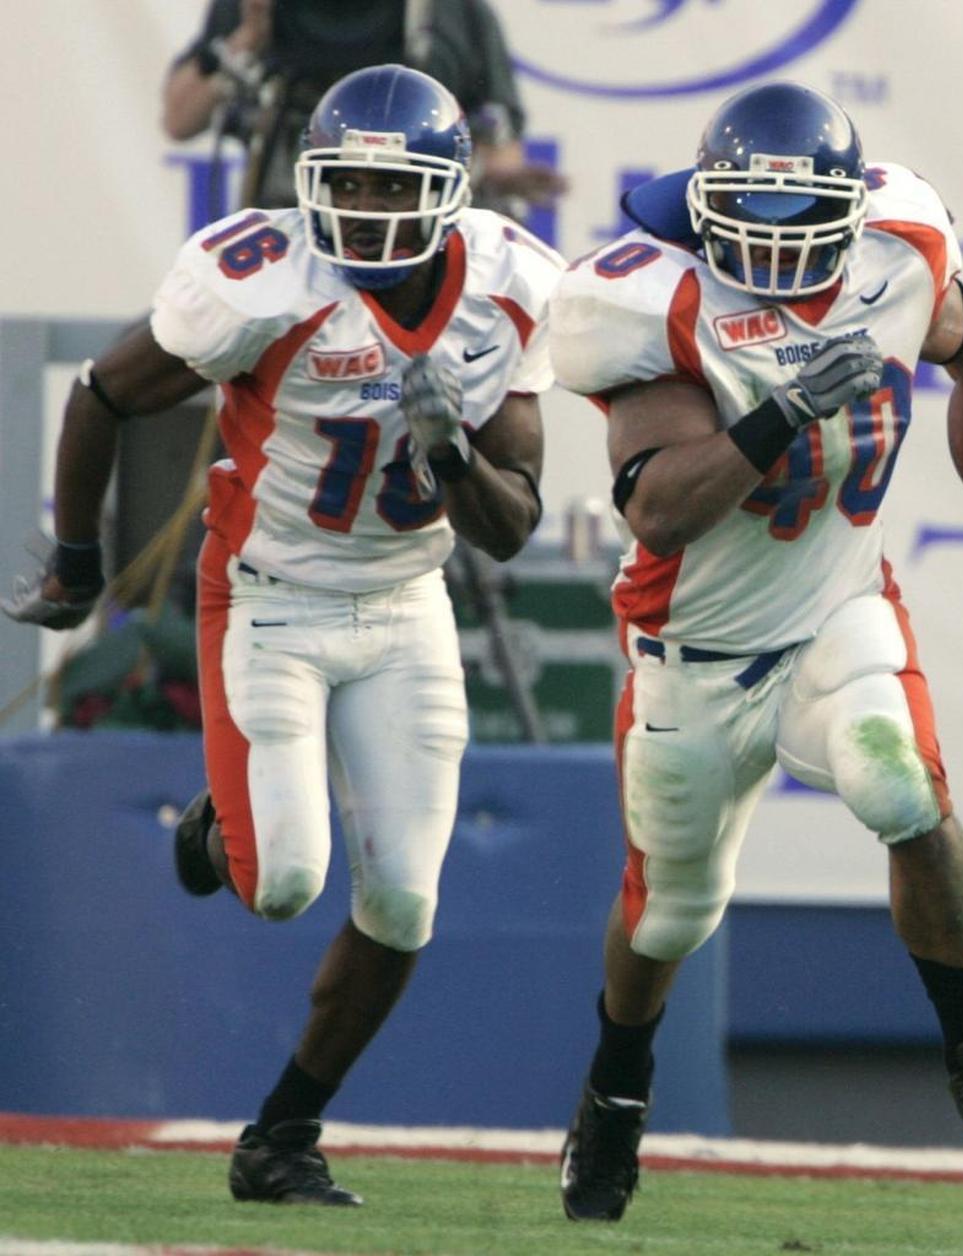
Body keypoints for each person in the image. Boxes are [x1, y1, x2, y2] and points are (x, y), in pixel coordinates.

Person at [546, 81, 963, 1222]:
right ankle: (615, 1090)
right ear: (705, 208)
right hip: (695, 649)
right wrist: (781, 410)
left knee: (905, 791)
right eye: (749, 220)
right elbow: (660, 509)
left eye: (801, 220)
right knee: (671, 911)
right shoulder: (651, 298)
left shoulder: (898, 248)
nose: (775, 245)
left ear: (848, 211)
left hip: (835, 609)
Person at [3, 63, 563, 1205]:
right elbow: (103, 394)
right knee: (283, 881)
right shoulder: (266, 279)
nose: (367, 207)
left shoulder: (511, 283)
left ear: (448, 191)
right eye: (346, 183)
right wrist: (77, 559)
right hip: (271, 594)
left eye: (392, 185)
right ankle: (224, 824)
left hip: (406, 603)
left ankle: (282, 1135)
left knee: (404, 901)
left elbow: (510, 527)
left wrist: (451, 452)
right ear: (312, 182)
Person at [162, 0, 566, 216]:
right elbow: (179, 119)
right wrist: (247, 38)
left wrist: (490, 172)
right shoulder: (255, 8)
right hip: (287, 224)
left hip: (418, 240)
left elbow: (502, 145)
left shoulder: (456, 12)